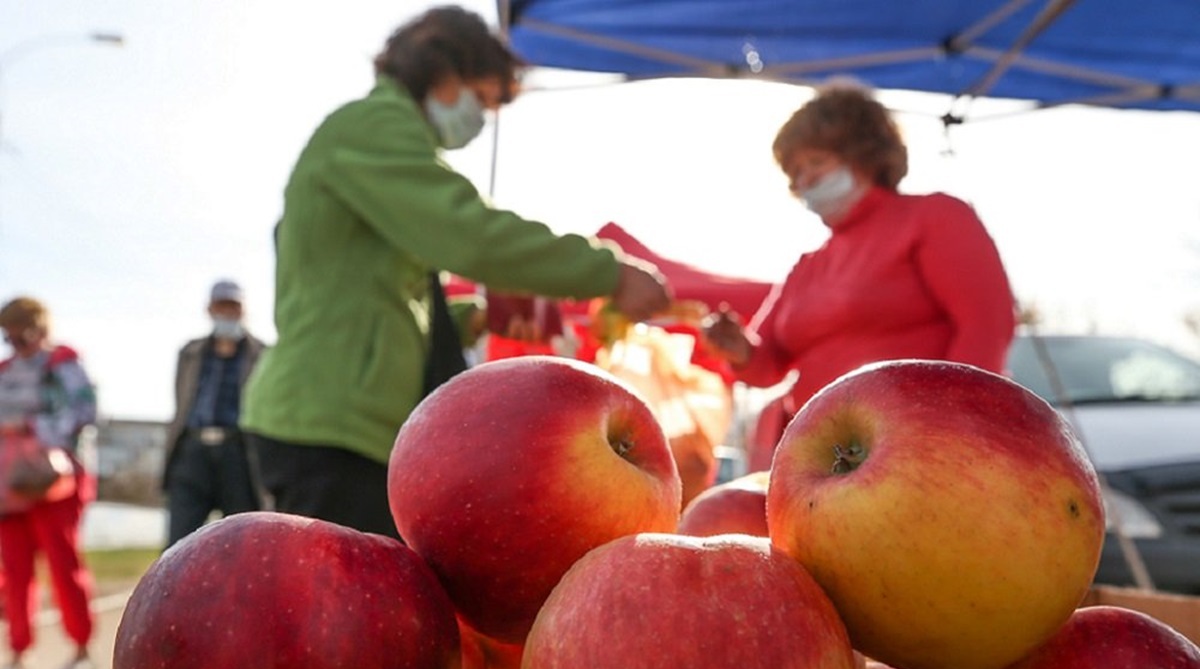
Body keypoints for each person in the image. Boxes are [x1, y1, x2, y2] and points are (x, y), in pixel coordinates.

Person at [240, 6, 672, 540]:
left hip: (350, 420)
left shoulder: (385, 145)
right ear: (444, 73)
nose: (481, 118)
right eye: (483, 99)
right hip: (328, 420)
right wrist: (606, 272)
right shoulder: (371, 128)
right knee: (335, 591)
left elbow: (388, 295)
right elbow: (470, 234)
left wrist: (477, 317)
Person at [703, 82, 1017, 470]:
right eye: (795, 173)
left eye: (815, 162)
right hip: (824, 462)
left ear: (862, 154)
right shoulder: (806, 266)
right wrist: (737, 348)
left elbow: (986, 325)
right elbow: (767, 364)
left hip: (921, 452)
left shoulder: (934, 216)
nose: (804, 181)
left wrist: (950, 426)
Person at [0, 296, 98, 669]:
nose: (15, 344)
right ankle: (19, 653)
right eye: (8, 337)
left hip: (53, 480)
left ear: (39, 329)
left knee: (62, 563)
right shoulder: (4, 371)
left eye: (20, 335)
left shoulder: (63, 364)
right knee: (14, 569)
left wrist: (30, 426)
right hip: (9, 485)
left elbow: (85, 412)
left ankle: (81, 649)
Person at [162, 280, 267, 548]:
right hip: (192, 452)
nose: (227, 313)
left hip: (239, 455)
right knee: (179, 543)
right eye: (221, 306)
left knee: (243, 543)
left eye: (233, 306)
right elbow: (181, 400)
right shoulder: (190, 352)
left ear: (244, 310)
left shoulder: (262, 354)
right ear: (210, 309)